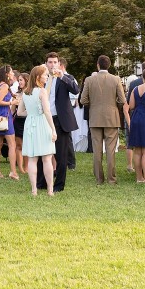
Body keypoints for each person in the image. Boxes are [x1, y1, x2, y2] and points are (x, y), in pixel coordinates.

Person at [35, 52, 80, 193]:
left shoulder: (65, 78)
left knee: (61, 155)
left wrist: (62, 77)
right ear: (46, 64)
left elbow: (76, 90)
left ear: (59, 64)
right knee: (43, 152)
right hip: (43, 119)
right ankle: (41, 182)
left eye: (55, 62)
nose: (52, 65)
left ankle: (59, 185)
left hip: (60, 120)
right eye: (50, 62)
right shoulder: (40, 79)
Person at [79, 55, 127, 185]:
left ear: (97, 65)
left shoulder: (89, 80)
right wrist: (113, 106)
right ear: (109, 65)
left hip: (95, 117)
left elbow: (83, 100)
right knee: (111, 150)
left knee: (97, 149)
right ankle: (112, 179)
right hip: (111, 117)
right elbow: (122, 100)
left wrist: (93, 105)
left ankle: (99, 179)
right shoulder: (116, 79)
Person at [19, 64, 57, 196]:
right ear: (38, 77)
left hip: (30, 123)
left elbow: (19, 112)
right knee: (47, 159)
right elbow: (47, 111)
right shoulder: (41, 92)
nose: (47, 76)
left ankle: (34, 189)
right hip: (42, 123)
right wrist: (53, 129)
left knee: (32, 159)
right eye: (45, 74)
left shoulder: (26, 92)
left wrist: (31, 113)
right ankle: (50, 190)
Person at [0, 65, 21, 180]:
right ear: (7, 74)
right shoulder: (5, 86)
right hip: (5, 117)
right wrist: (11, 103)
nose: (13, 74)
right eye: (11, 72)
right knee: (12, 144)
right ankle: (13, 171)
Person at [14, 72, 29, 174]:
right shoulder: (16, 94)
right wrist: (13, 102)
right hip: (18, 121)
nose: (19, 82)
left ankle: (27, 166)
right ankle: (20, 168)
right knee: (19, 145)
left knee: (27, 145)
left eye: (21, 80)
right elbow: (12, 111)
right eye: (18, 80)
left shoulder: (30, 93)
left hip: (28, 120)